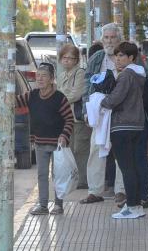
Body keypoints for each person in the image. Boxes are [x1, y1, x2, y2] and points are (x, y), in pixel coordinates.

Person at [0, 62, 74, 216]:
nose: (40, 79)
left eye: (44, 76)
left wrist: (64, 135)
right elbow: (13, 101)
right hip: (39, 142)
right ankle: (43, 205)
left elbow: (69, 119)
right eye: (38, 76)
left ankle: (58, 205)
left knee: (58, 175)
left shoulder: (60, 98)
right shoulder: (31, 95)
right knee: (42, 174)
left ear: (52, 79)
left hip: (58, 144)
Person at [101, 42, 148, 219]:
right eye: (116, 55)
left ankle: (132, 206)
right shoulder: (138, 74)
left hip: (122, 125)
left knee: (127, 167)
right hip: (137, 124)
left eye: (122, 56)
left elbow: (115, 99)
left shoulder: (126, 75)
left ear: (131, 58)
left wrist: (101, 101)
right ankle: (136, 205)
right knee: (134, 167)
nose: (118, 59)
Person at [80, 23, 124, 205]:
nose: (109, 41)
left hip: (122, 110)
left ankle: (121, 190)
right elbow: (87, 84)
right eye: (106, 37)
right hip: (100, 111)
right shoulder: (97, 58)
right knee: (96, 149)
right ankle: (95, 191)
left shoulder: (127, 56)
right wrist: (85, 109)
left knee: (122, 150)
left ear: (119, 39)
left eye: (113, 37)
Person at [57, 44, 88, 189]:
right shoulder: (62, 75)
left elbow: (76, 94)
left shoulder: (80, 73)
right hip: (66, 118)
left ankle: (83, 180)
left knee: (80, 149)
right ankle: (75, 178)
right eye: (65, 58)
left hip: (78, 117)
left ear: (76, 60)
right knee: (70, 149)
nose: (67, 61)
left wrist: (59, 101)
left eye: (71, 58)